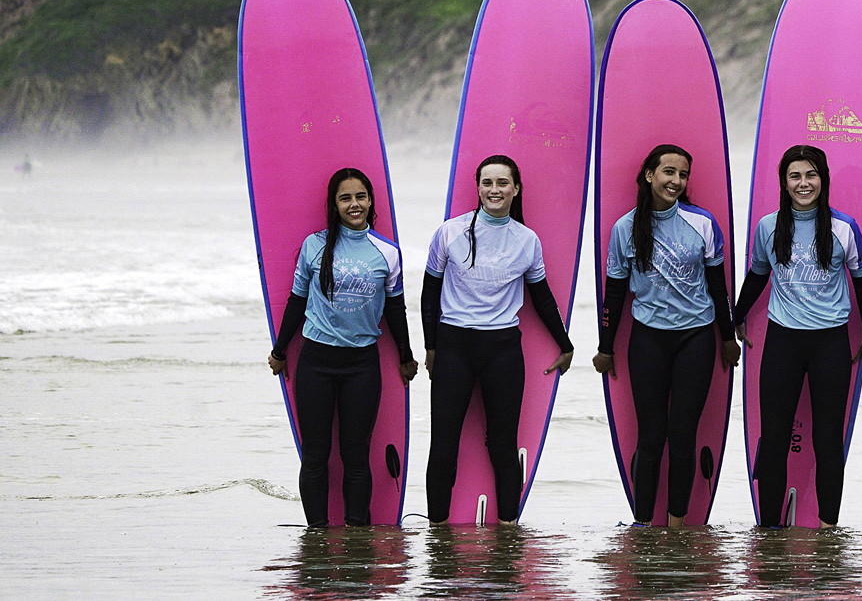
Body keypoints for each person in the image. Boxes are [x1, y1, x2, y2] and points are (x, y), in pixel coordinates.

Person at [421, 154, 573, 524]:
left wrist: (565, 344)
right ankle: (437, 533)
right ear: (478, 188)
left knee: (503, 445)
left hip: (502, 349)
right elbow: (429, 292)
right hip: (454, 345)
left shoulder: (527, 240)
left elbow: (541, 296)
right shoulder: (450, 232)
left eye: (502, 183)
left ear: (515, 189)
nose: (494, 189)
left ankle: (508, 531)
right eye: (487, 182)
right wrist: (431, 346)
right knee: (444, 443)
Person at [591, 144, 737, 527]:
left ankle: (676, 526)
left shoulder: (702, 223)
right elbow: (614, 294)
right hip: (648, 339)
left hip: (696, 337)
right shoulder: (625, 228)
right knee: (651, 436)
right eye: (669, 172)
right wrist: (605, 347)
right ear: (649, 175)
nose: (676, 181)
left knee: (683, 434)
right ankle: (642, 524)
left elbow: (718, 287)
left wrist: (727, 338)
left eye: (683, 174)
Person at [733, 145, 862, 528]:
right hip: (783, 341)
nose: (803, 183)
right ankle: (769, 528)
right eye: (795, 176)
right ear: (784, 182)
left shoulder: (843, 228)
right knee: (773, 437)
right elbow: (758, 275)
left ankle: (829, 528)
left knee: (828, 439)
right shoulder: (769, 226)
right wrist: (737, 316)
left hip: (830, 342)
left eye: (811, 175)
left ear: (823, 179)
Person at [268, 167, 415, 526]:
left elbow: (395, 308)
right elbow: (296, 301)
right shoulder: (314, 245)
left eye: (360, 196)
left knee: (356, 456)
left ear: (371, 201)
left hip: (362, 364)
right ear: (334, 205)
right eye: (345, 198)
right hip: (316, 361)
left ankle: (356, 533)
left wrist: (406, 355)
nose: (354, 204)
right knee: (315, 455)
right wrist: (280, 350)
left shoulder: (387, 252)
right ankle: (316, 536)